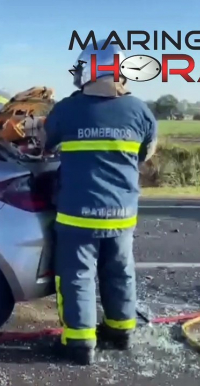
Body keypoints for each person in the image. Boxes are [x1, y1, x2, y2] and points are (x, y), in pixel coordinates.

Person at [42, 40, 158, 365]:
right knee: (119, 270)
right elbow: (145, 153)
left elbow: (44, 145)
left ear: (91, 70)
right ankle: (120, 332)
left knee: (77, 274)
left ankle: (79, 344)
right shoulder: (139, 110)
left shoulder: (67, 108)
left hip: (78, 215)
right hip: (121, 214)